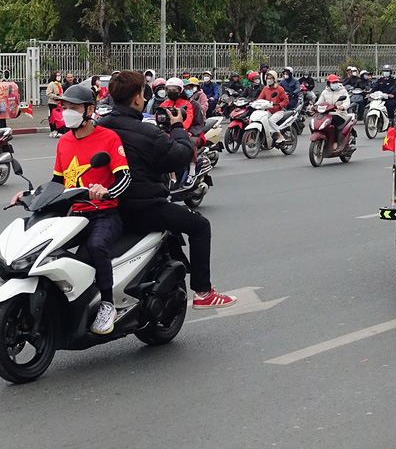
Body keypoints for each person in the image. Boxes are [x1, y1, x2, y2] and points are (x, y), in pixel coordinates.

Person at [99, 71, 236, 310]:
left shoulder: (101, 128)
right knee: (200, 226)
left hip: (107, 207)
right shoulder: (146, 132)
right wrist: (177, 127)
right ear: (137, 98)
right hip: (144, 207)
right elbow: (179, 157)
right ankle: (203, 292)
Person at [10, 84, 132, 334]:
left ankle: (108, 304)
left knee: (96, 247)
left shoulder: (108, 138)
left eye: (73, 107)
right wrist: (31, 195)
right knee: (41, 249)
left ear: (89, 109)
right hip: (73, 215)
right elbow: (57, 183)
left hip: (104, 213)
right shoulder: (64, 141)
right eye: (65, 107)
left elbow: (125, 178)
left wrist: (106, 191)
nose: (67, 112)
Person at [316, 75, 350, 151]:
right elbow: (319, 102)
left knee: (332, 123)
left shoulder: (343, 91)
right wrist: (313, 107)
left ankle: (335, 142)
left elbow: (347, 102)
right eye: (333, 82)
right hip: (326, 114)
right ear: (328, 84)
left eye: (336, 82)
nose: (335, 84)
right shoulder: (325, 92)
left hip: (339, 114)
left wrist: (342, 107)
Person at [258, 70, 289, 146]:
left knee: (271, 121)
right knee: (261, 118)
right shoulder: (265, 89)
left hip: (278, 111)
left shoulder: (280, 89)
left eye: (271, 78)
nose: (269, 80)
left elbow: (286, 100)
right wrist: (254, 103)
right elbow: (260, 98)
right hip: (268, 110)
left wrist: (279, 105)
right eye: (267, 78)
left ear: (274, 79)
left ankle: (280, 136)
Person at [45, 70, 63, 137]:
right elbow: (48, 93)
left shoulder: (59, 84)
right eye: (57, 76)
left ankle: (58, 129)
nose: (59, 77)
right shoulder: (51, 84)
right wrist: (56, 96)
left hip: (59, 103)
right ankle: (53, 130)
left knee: (58, 117)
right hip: (53, 102)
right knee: (53, 117)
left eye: (59, 75)